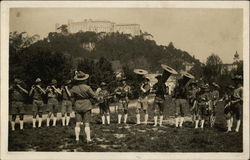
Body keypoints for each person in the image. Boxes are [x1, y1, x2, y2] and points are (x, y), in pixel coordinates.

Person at [70, 71, 98, 143]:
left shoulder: (73, 88)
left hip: (77, 105)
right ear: (84, 79)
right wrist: (97, 94)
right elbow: (94, 96)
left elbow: (72, 97)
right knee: (87, 123)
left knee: (78, 123)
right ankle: (88, 139)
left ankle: (77, 139)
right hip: (86, 105)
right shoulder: (87, 87)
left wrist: (74, 104)